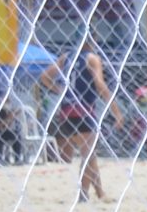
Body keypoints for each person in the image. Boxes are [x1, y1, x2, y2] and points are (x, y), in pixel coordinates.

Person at [46, 29, 111, 201]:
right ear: (93, 40)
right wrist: (115, 108)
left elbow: (45, 77)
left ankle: (100, 192)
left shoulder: (66, 57)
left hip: (66, 109)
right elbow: (99, 83)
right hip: (84, 109)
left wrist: (59, 90)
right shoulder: (92, 59)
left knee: (89, 152)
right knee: (87, 153)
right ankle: (83, 194)